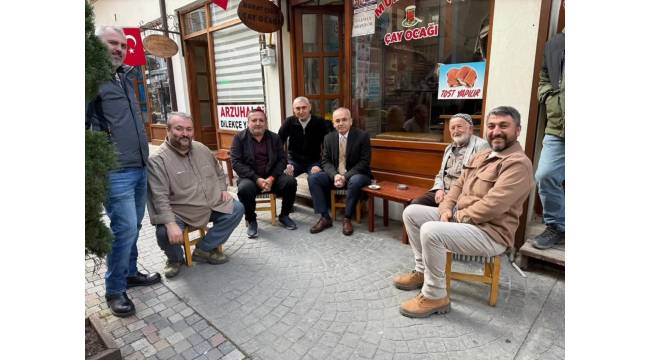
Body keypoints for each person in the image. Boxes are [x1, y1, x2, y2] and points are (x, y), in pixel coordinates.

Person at [394, 106, 534, 318]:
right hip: (465, 221)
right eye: (492, 126)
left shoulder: (518, 164)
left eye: (503, 126)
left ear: (518, 130)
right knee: (412, 213)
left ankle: (435, 295)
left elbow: (493, 205)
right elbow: (458, 185)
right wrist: (445, 208)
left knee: (432, 231)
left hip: (490, 233)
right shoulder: (484, 154)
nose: (496, 131)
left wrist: (456, 217)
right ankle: (423, 272)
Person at [86, 26, 160, 318]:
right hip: (115, 172)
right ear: (96, 46)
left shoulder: (124, 77)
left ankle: (129, 273)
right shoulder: (90, 81)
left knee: (135, 227)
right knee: (124, 229)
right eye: (112, 43)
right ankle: (114, 290)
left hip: (139, 167)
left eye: (122, 45)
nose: (118, 48)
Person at [147, 113, 245, 278]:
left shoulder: (201, 148)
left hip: (211, 203)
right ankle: (175, 259)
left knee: (237, 209)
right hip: (182, 212)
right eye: (179, 129)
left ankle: (203, 249)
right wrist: (170, 223)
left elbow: (218, 170)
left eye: (189, 129)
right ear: (168, 130)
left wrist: (223, 189)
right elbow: (158, 196)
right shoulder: (157, 160)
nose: (185, 133)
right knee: (163, 231)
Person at [230, 109, 298, 238]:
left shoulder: (274, 137)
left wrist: (272, 178)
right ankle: (251, 219)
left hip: (272, 176)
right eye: (254, 120)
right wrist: (257, 179)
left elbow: (282, 160)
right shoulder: (239, 138)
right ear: (248, 122)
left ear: (265, 123)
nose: (257, 123)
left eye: (261, 120)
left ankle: (284, 215)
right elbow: (236, 162)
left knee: (290, 182)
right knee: (244, 189)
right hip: (251, 178)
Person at [308, 107, 372, 236]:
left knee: (355, 180)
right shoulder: (328, 138)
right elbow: (325, 161)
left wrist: (345, 176)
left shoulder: (362, 136)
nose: (341, 123)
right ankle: (325, 217)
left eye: (344, 120)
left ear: (351, 121)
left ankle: (347, 218)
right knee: (313, 178)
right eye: (337, 121)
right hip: (335, 176)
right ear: (333, 123)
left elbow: (364, 162)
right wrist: (335, 175)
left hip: (357, 175)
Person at [412, 113, 489, 207]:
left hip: (462, 195)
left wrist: (452, 196)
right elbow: (441, 174)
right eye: (452, 128)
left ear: (470, 129)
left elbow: (479, 180)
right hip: (443, 192)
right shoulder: (449, 148)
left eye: (459, 126)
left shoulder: (481, 146)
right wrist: (439, 189)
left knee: (442, 213)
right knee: (416, 204)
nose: (456, 131)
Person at [533, 30, 565, 250]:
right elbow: (544, 76)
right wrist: (549, 97)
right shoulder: (555, 43)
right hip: (558, 127)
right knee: (545, 175)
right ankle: (557, 226)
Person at [278, 96, 334, 177]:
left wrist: (320, 164)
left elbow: (328, 146)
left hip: (314, 161)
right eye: (298, 108)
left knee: (317, 178)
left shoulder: (320, 122)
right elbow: (278, 143)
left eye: (304, 107)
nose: (301, 111)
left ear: (310, 107)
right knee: (285, 177)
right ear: (294, 110)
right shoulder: (289, 122)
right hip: (294, 161)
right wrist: (285, 163)